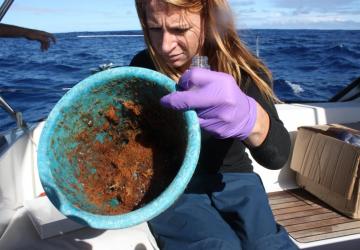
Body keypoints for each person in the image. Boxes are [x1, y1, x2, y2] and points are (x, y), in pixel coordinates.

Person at [130, 1, 297, 249]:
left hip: (236, 178)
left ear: (208, 20)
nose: (165, 46)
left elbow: (277, 156)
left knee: (269, 244)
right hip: (176, 183)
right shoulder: (143, 68)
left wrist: (251, 119)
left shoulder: (243, 71)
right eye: (155, 29)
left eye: (180, 29)